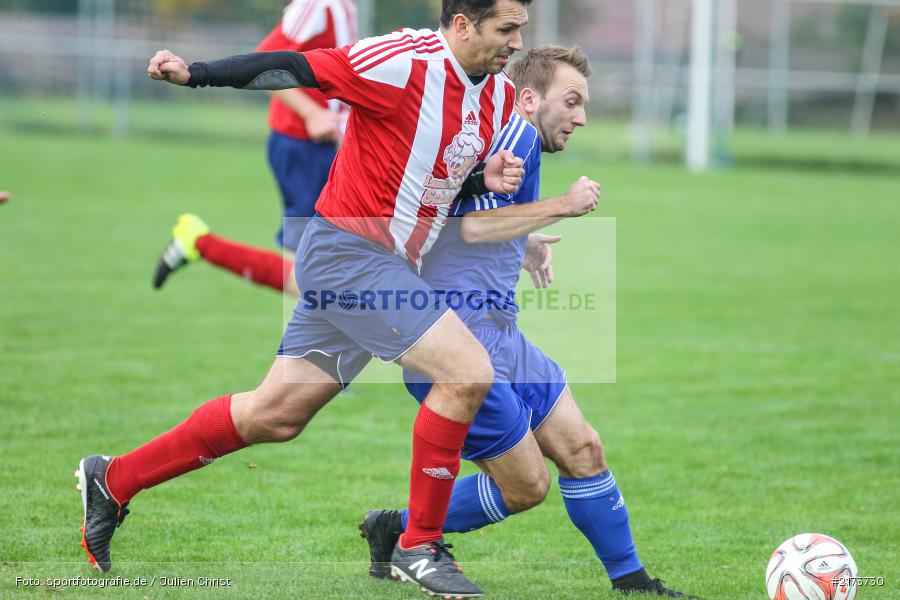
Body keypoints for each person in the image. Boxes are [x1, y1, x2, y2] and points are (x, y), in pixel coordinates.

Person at [75, 2, 530, 598]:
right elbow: (294, 66)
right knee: (467, 372)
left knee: (274, 414)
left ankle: (112, 479)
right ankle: (418, 547)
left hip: (384, 265)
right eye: (506, 29)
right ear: (463, 24)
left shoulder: (494, 94)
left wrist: (480, 180)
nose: (518, 42)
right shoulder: (400, 61)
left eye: (522, 28)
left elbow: (425, 171)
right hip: (349, 256)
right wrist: (198, 73)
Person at [356, 46, 701, 598]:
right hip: (460, 343)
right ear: (529, 99)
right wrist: (561, 206)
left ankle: (633, 583)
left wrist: (524, 240)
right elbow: (471, 228)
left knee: (583, 449)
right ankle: (401, 531)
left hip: (503, 334)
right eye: (572, 101)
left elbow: (466, 221)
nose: (581, 117)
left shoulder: (508, 139)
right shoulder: (515, 136)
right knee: (527, 487)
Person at [153, 0, 358, 296]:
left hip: (329, 146)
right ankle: (199, 242)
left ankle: (198, 243)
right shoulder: (316, 5)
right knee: (315, 277)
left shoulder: (342, 6)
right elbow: (264, 59)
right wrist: (311, 113)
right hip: (303, 145)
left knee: (336, 272)